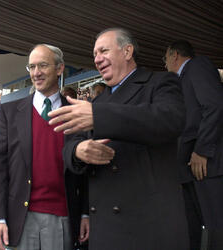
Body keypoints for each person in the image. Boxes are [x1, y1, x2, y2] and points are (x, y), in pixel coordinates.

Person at [48, 28, 189, 250]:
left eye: (103, 50)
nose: (97, 59)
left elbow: (169, 121)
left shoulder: (160, 82)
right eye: (94, 54)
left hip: (149, 228)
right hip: (105, 229)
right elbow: (68, 148)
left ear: (127, 51)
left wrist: (99, 117)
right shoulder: (96, 103)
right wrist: (79, 150)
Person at [0, 44, 89, 250]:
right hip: (20, 220)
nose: (36, 73)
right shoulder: (9, 112)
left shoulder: (78, 113)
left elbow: (86, 170)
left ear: (60, 69)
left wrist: (85, 212)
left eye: (42, 65)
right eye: (31, 67)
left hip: (63, 217)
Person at [164, 40, 223, 250]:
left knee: (217, 227)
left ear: (175, 54)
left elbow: (214, 106)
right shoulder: (181, 80)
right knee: (194, 227)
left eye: (165, 58)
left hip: (208, 163)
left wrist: (202, 150)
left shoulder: (197, 66)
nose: (165, 64)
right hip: (189, 167)